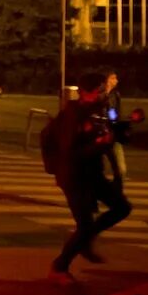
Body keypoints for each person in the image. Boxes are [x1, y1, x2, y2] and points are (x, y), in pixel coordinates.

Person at [47, 72, 132, 279]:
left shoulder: (99, 109)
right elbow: (71, 153)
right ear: (87, 92)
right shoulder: (71, 115)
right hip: (73, 176)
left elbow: (110, 130)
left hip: (93, 173)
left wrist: (119, 133)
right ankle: (59, 266)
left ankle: (85, 239)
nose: (105, 92)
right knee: (84, 225)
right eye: (101, 89)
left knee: (122, 207)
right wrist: (99, 144)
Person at [101, 70, 129, 189]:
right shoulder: (99, 94)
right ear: (106, 80)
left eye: (116, 78)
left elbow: (113, 111)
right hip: (100, 133)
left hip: (112, 133)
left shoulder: (115, 94)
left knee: (120, 168)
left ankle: (117, 189)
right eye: (113, 78)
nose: (116, 81)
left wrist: (114, 122)